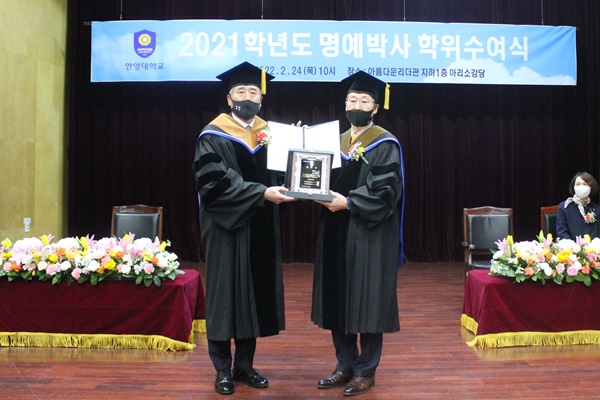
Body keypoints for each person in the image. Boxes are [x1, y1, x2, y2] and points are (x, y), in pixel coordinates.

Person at [192, 62, 296, 395]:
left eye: (253, 92)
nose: (247, 97)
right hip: (225, 228)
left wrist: (298, 147)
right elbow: (213, 183)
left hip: (261, 226)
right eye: (241, 91)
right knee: (224, 296)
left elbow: (286, 177)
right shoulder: (213, 135)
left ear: (261, 99)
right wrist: (260, 193)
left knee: (254, 293)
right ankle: (222, 369)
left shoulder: (271, 134)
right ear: (229, 98)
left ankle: (245, 365)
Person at [311, 71, 405, 397]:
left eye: (364, 101)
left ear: (376, 108)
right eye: (352, 100)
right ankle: (345, 364)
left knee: (369, 302)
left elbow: (386, 191)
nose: (357, 106)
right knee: (338, 298)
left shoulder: (385, 143)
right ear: (345, 104)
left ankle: (366, 371)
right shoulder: (333, 142)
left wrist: (349, 202)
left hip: (369, 233)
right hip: (335, 231)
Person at [557, 171, 600, 240]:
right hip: (568, 245)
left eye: (585, 184)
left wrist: (587, 244)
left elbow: (595, 232)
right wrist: (571, 245)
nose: (581, 187)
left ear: (591, 187)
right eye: (578, 184)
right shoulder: (564, 207)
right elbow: (562, 232)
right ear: (573, 187)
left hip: (590, 245)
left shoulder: (597, 209)